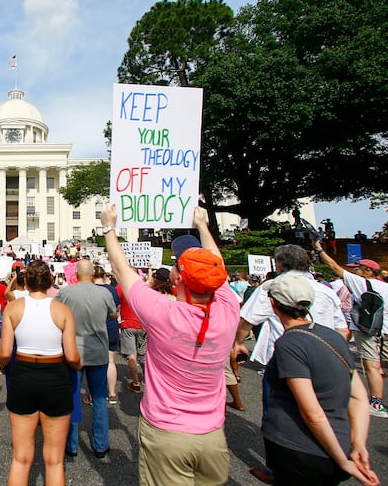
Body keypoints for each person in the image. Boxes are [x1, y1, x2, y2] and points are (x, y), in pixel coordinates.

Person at [103, 203, 239, 485]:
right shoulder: (229, 309)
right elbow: (218, 264)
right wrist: (202, 225)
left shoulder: (163, 313)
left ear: (177, 277)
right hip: (213, 435)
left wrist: (109, 227)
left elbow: (121, 268)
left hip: (166, 432)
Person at [260, 274, 379, 486]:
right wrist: (358, 443)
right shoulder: (332, 336)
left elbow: (312, 413)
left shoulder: (289, 343)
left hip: (299, 448)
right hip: (340, 442)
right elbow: (359, 397)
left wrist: (345, 462)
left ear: (273, 303)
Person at [0, 259, 82, 486]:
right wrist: (78, 366)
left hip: (23, 373)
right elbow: (72, 356)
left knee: (21, 457)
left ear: (25, 282)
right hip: (55, 375)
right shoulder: (62, 310)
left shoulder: (13, 308)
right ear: (50, 281)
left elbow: (5, 352)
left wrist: (2, 365)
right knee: (54, 460)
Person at [313, 241, 388, 419]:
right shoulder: (385, 285)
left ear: (368, 271)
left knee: (372, 366)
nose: (355, 271)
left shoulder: (362, 283)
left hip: (368, 329)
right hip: (385, 328)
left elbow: (333, 265)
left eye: (358, 268)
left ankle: (376, 403)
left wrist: (319, 249)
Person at [56, 259, 116, 459]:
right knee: (99, 399)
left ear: (76, 273)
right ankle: (100, 445)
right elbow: (112, 314)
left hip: (73, 350)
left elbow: (55, 315)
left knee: (72, 397)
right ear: (92, 274)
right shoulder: (105, 292)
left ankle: (71, 445)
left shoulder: (66, 292)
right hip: (98, 350)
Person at [92, 265, 121, 404]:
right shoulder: (112, 290)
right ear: (104, 276)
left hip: (95, 327)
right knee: (110, 361)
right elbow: (117, 309)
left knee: (95, 363)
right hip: (111, 326)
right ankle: (112, 393)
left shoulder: (90, 290)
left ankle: (96, 394)